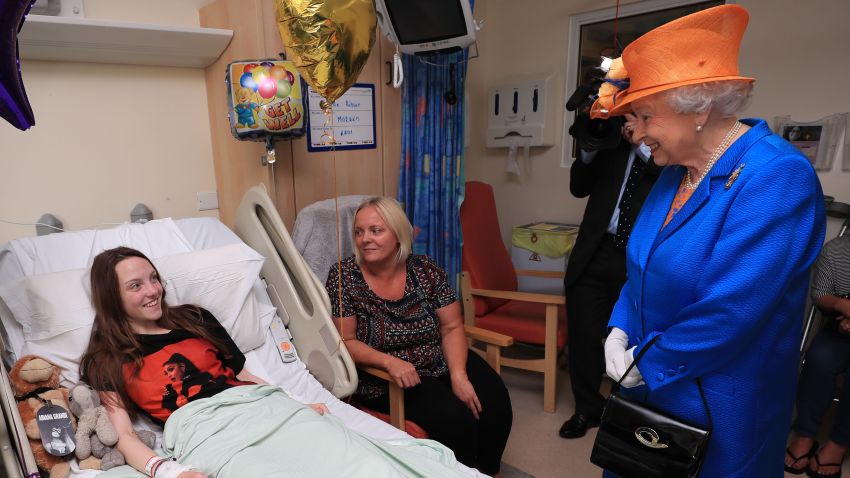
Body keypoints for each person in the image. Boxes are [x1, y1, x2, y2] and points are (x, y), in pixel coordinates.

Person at [588, 5, 826, 476]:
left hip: (720, 402)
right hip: (648, 382)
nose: (637, 133)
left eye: (644, 115)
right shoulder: (673, 171)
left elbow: (733, 308)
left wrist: (648, 361)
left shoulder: (778, 177)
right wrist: (618, 327)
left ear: (697, 106)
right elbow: (641, 267)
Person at [79, 247, 477, 478]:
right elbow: (124, 435)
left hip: (266, 408)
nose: (153, 291)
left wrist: (296, 403)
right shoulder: (106, 358)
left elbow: (242, 374)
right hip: (206, 432)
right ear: (112, 296)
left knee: (368, 467)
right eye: (136, 286)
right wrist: (168, 471)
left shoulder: (194, 318)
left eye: (153, 278)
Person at [325, 196, 513, 477]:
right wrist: (389, 362)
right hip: (385, 375)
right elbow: (346, 341)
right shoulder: (344, 276)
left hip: (438, 357)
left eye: (376, 230)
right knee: (455, 419)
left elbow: (451, 327)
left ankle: (486, 471)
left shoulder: (426, 269)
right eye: (359, 232)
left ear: (398, 234)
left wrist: (458, 374)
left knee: (495, 401)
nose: (365, 239)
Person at [558, 117, 659, 439]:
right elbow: (578, 187)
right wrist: (588, 150)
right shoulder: (610, 143)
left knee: (632, 337)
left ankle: (624, 411)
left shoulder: (662, 145)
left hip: (639, 256)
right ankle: (586, 407)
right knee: (584, 338)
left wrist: (641, 145)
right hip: (594, 251)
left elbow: (671, 180)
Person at [785, 232, 850, 477]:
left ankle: (838, 443)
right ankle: (805, 434)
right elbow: (820, 294)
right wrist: (841, 306)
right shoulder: (835, 251)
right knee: (818, 361)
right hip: (838, 329)